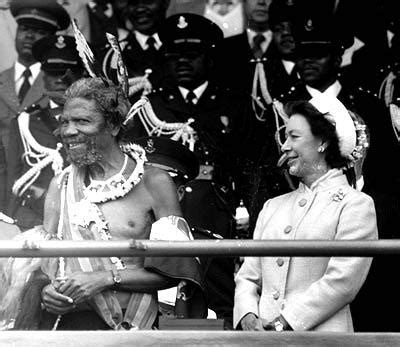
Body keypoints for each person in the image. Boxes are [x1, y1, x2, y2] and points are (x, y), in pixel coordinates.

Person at [0, 77, 205, 330]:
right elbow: (46, 267)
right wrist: (46, 292)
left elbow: (176, 270)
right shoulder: (60, 185)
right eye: (65, 121)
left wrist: (104, 278)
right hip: (74, 327)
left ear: (114, 125)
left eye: (82, 121)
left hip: (137, 327)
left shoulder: (154, 182)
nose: (68, 131)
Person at [234, 95, 378, 332]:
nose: (284, 146)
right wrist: (248, 315)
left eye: (294, 137)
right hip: (262, 340)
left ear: (322, 141)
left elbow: (342, 282)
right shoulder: (273, 206)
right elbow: (248, 276)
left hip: (324, 339)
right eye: (285, 136)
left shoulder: (356, 204)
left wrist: (284, 323)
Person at [126, 13, 253, 241]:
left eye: (192, 55)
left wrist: (249, 213)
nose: (182, 62)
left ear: (209, 57)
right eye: (174, 56)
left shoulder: (235, 105)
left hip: (221, 211)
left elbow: (249, 169)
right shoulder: (149, 107)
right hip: (163, 215)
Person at [135, 136, 235, 329]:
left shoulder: (206, 248)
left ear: (179, 193)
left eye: (157, 182)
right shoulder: (114, 238)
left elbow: (224, 322)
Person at [6, 35, 85, 231]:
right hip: (33, 218)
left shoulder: (96, 121)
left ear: (81, 75)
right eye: (53, 73)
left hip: (83, 216)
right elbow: (12, 176)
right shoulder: (25, 121)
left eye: (67, 73)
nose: (60, 80)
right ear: (43, 76)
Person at [0, 0, 70, 154]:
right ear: (16, 31)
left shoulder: (60, 84)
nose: (30, 36)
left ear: (51, 39)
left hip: (44, 169)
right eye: (24, 29)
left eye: (40, 32)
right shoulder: (2, 80)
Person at [101, 0, 170, 98]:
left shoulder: (182, 48)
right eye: (134, 3)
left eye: (148, 2)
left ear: (165, 3)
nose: (140, 9)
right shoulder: (112, 56)